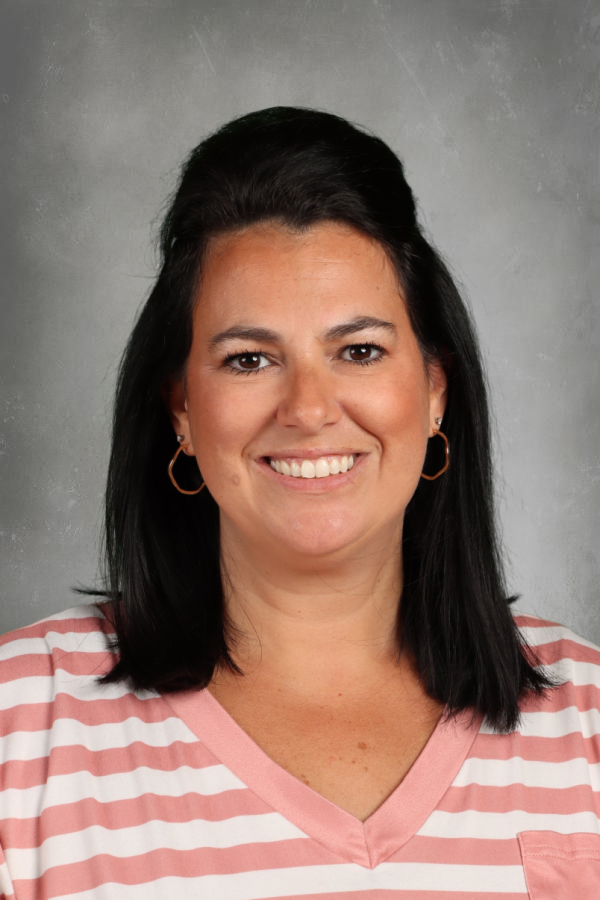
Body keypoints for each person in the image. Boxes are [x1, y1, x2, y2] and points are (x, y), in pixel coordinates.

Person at [1, 107, 599, 900]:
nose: (308, 409)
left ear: (433, 391)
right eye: (250, 359)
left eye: (358, 351)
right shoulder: (21, 730)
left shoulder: (586, 723)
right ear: (181, 408)